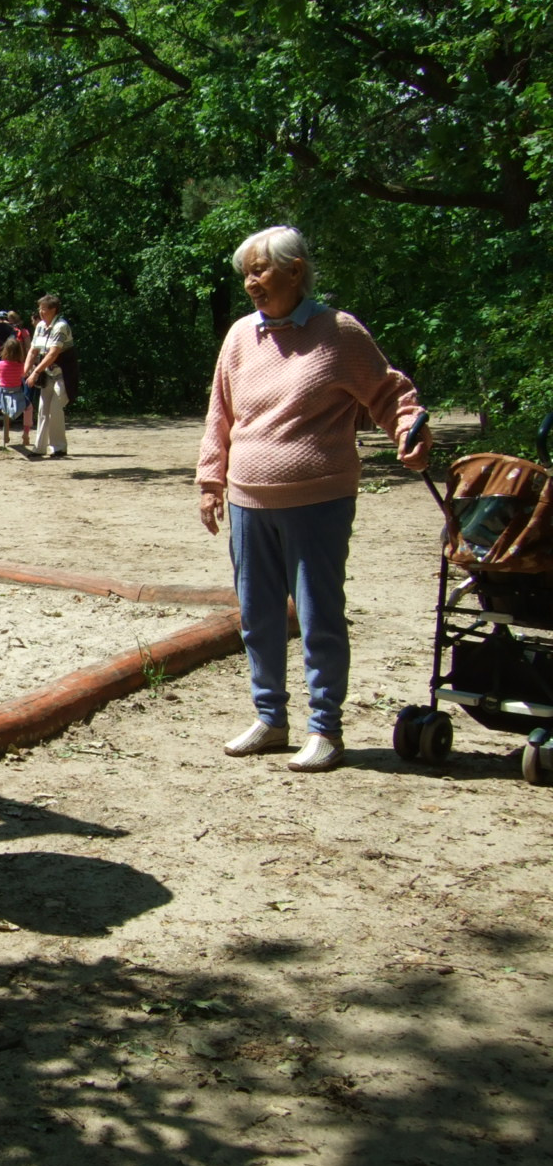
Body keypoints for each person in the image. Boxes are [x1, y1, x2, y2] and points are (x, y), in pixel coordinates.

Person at [197, 225, 432, 773]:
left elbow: (391, 394)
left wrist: (409, 431)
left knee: (319, 614)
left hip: (318, 500)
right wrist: (211, 481)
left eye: (260, 270)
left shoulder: (339, 333)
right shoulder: (239, 337)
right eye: (246, 274)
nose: (251, 282)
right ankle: (270, 718)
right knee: (257, 615)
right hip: (248, 501)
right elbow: (220, 414)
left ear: (295, 270)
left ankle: (325, 727)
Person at [24, 293, 74, 458]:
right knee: (43, 410)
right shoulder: (39, 327)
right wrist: (25, 371)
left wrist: (35, 372)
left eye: (44, 309)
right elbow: (33, 350)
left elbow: (53, 354)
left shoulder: (60, 326)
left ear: (54, 310)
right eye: (40, 308)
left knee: (55, 410)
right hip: (47, 374)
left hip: (63, 374)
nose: (41, 312)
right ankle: (39, 447)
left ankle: (59, 447)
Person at [0, 334, 32, 451]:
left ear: (5, 350)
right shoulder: (21, 366)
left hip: (3, 395)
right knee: (29, 408)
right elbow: (23, 376)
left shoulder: (0, 365)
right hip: (18, 395)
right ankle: (26, 432)